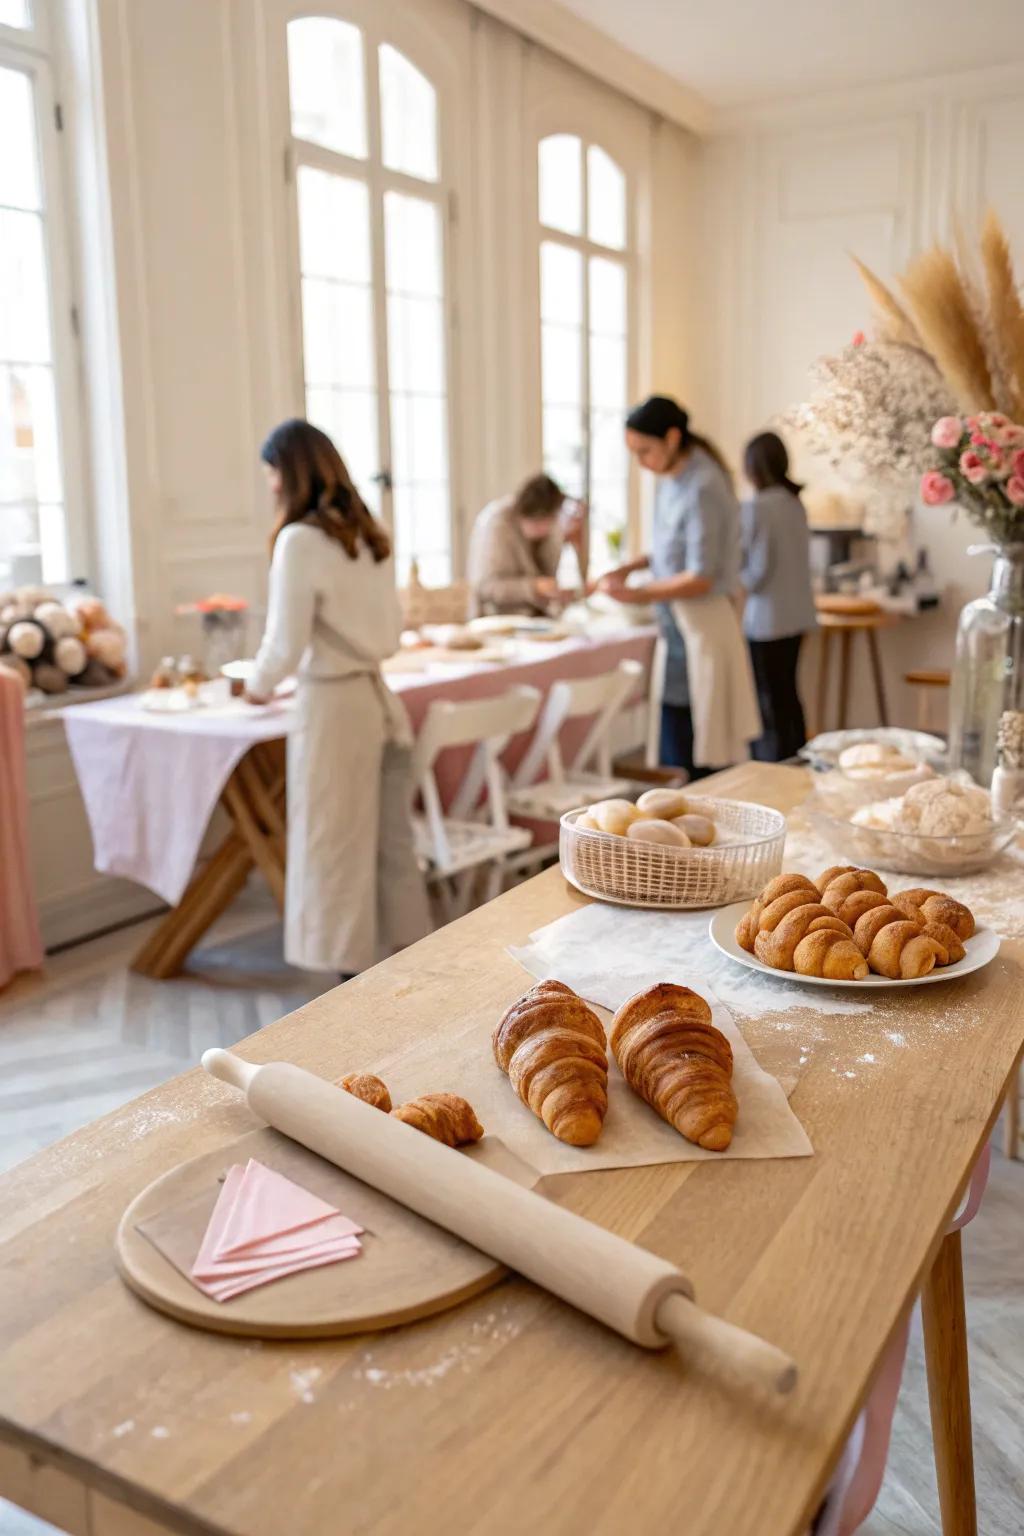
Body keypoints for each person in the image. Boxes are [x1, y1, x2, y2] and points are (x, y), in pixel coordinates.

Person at [245, 419, 430, 977]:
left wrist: (254, 687)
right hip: (377, 699)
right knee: (392, 845)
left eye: (273, 472)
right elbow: (392, 630)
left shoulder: (300, 540)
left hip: (331, 706)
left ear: (290, 472)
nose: (271, 485)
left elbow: (284, 643)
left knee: (333, 848)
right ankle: (411, 960)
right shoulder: (368, 531)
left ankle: (348, 978)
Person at [599, 396, 761, 779]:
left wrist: (638, 593)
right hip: (677, 627)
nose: (642, 463)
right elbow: (668, 551)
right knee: (680, 741)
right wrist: (628, 567)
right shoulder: (671, 481)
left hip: (704, 625)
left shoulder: (704, 484)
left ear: (672, 438)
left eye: (645, 451)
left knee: (705, 750)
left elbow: (700, 576)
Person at [739, 431, 817, 762]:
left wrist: (730, 580)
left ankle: (772, 767)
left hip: (766, 621)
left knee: (767, 700)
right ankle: (797, 761)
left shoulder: (757, 508)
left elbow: (757, 574)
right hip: (798, 615)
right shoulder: (795, 504)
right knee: (789, 693)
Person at [468, 473, 588, 616]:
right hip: (496, 619)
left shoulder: (552, 526)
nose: (547, 527)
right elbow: (485, 588)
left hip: (539, 622)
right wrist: (534, 587)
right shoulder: (497, 524)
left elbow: (562, 580)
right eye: (542, 520)